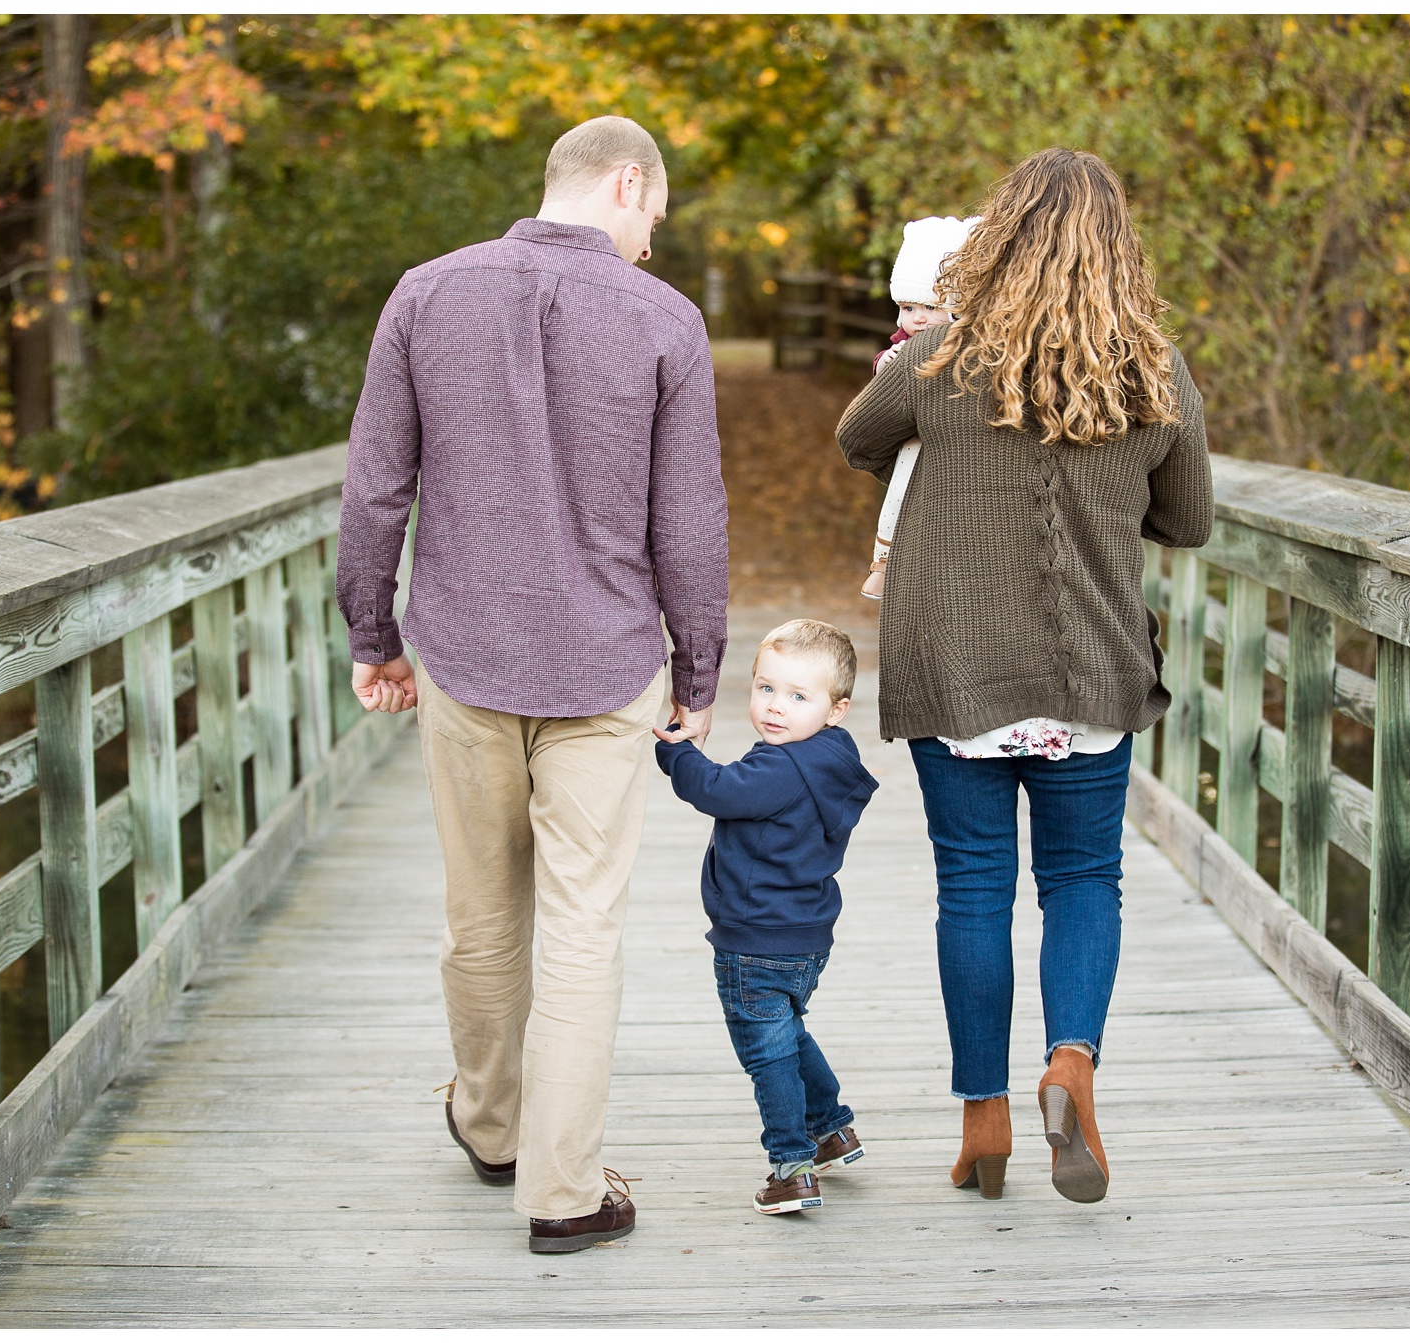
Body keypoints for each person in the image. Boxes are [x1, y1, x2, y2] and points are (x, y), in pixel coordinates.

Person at [335, 115, 729, 1254]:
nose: (652, 236)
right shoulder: (666, 322)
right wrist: (698, 667)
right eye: (654, 209)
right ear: (623, 180)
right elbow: (687, 519)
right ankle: (560, 1189)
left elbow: (374, 489)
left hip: (463, 651)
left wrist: (374, 633)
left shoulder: (424, 294)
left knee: (480, 914)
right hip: (606, 666)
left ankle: (492, 1124)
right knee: (582, 925)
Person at [836, 148, 1213, 1205]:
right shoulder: (1155, 369)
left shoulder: (943, 357)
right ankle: (1070, 1065)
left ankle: (983, 1123)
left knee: (972, 887)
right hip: (1089, 668)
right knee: (1082, 879)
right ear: (1117, 246)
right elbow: (1186, 519)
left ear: (995, 237)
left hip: (955, 663)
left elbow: (857, 435)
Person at [654, 619, 878, 1215]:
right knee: (786, 1032)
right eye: (765, 689)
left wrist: (675, 754)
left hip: (755, 936)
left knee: (765, 1050)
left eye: (798, 697)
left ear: (837, 708)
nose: (776, 708)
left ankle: (791, 1163)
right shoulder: (833, 756)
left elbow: (720, 791)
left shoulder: (780, 768)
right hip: (807, 934)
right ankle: (830, 1127)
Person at [860, 214, 979, 602]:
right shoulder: (905, 341)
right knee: (899, 491)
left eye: (929, 306)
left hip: (951, 433)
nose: (917, 318)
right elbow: (883, 369)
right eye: (908, 307)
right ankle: (883, 560)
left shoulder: (968, 342)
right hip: (911, 432)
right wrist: (885, 363)